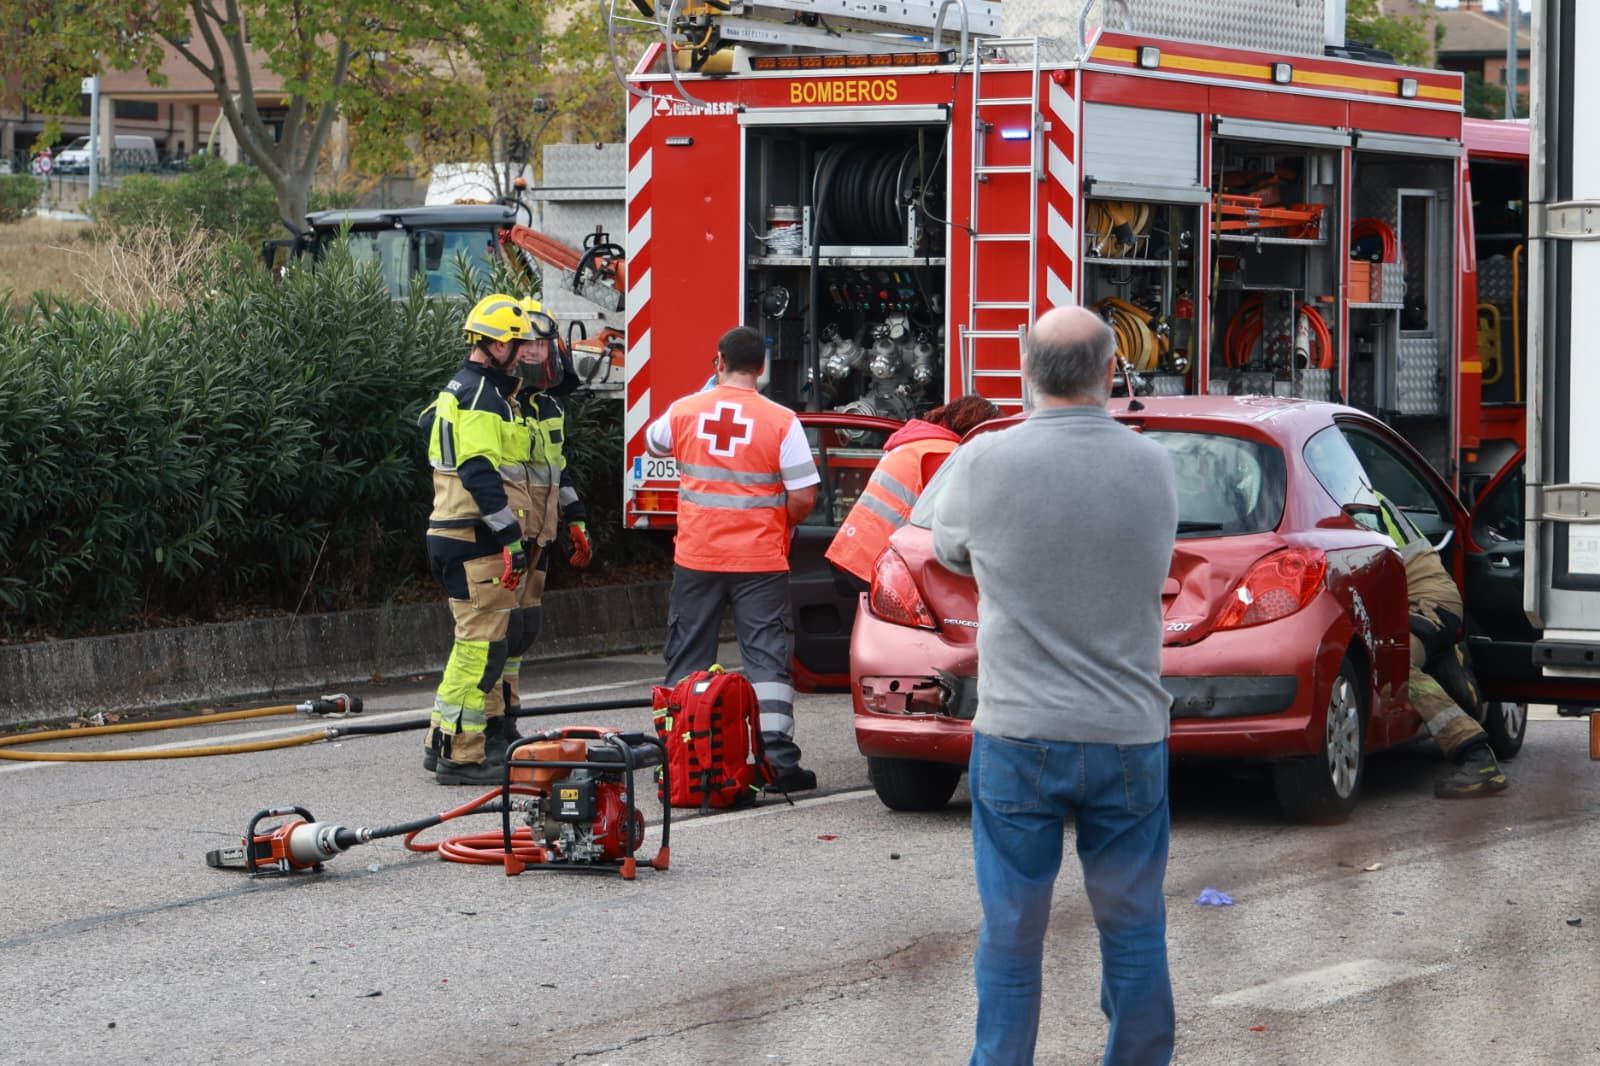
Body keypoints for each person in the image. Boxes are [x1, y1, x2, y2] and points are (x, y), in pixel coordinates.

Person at [932, 306, 1177, 1066]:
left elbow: (946, 550)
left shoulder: (983, 461)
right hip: (1129, 735)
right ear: (1112, 371)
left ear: (1023, 369)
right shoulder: (1155, 464)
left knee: (1011, 931)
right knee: (1133, 927)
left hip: (1018, 734)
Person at [644, 325, 822, 793]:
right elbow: (804, 493)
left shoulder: (685, 410)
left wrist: (706, 390)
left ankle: (682, 757)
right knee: (766, 659)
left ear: (717, 360)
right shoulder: (781, 420)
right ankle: (778, 764)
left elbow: (654, 442)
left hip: (697, 555)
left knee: (688, 657)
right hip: (760, 559)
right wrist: (779, 524)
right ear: (762, 368)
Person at [417, 294, 541, 785]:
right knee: (481, 649)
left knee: (475, 645)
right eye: (517, 344)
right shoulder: (482, 397)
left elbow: (429, 425)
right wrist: (510, 536)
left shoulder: (458, 389)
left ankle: (443, 741)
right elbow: (478, 471)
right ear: (493, 345)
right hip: (473, 536)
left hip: (451, 531)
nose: (524, 353)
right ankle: (461, 757)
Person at [1375, 495, 1508, 798]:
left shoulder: (1355, 502)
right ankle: (1448, 666)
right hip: (1422, 599)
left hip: (1425, 600)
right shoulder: (1353, 492)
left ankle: (1477, 756)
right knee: (1409, 655)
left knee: (1397, 667)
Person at [825, 395, 1000, 588]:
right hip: (880, 562)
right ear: (976, 429)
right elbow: (954, 519)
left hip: (857, 551)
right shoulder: (943, 455)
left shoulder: (917, 443)